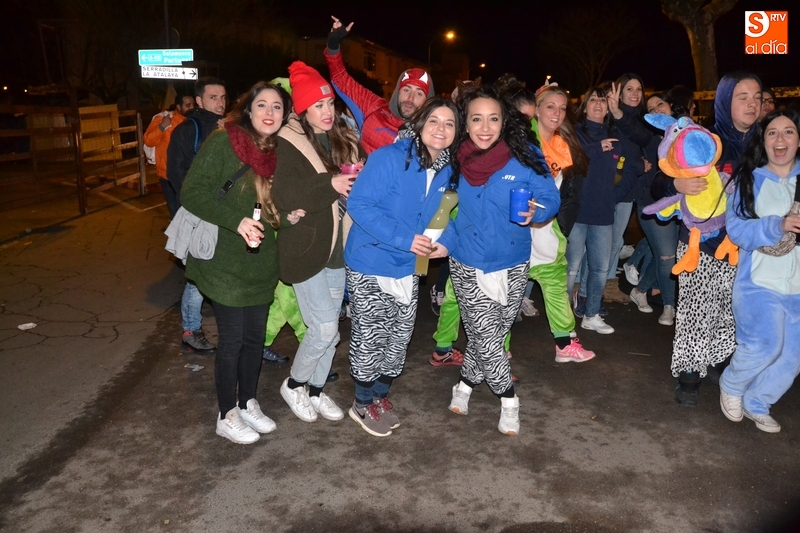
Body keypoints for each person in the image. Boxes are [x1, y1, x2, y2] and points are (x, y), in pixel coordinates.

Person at [436, 84, 560, 435]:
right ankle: (509, 401)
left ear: (504, 121)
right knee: (488, 337)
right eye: (476, 119)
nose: (485, 127)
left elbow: (550, 197)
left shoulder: (524, 154)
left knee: (491, 333)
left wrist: (538, 212)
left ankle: (464, 384)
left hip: (513, 261)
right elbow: (439, 210)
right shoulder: (453, 159)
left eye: (493, 118)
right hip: (468, 260)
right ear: (465, 122)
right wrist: (444, 242)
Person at [179, 81, 295, 444]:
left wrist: (288, 216)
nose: (269, 113)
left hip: (261, 262)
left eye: (277, 107)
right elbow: (192, 192)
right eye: (262, 105)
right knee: (231, 341)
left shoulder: (278, 152)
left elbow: (271, 206)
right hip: (224, 261)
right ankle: (226, 413)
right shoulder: (223, 142)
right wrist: (237, 221)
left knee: (254, 338)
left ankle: (247, 402)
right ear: (248, 109)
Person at [345, 97, 459, 437]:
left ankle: (380, 396)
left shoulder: (448, 170)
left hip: (409, 265)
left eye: (449, 123)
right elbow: (359, 205)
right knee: (371, 336)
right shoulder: (389, 158)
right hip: (371, 260)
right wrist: (406, 239)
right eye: (434, 121)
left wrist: (447, 242)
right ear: (420, 123)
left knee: (398, 338)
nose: (441, 129)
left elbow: (445, 215)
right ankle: (361, 403)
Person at [653, 71, 762, 406]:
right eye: (742, 97)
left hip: (744, 246)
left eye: (757, 97)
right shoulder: (704, 139)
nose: (752, 104)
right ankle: (689, 376)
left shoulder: (765, 144)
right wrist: (676, 185)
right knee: (696, 311)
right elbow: (657, 182)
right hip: (700, 244)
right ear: (726, 101)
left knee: (731, 312)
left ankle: (717, 362)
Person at [272, 61, 364, 423]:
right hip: (307, 248)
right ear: (302, 109)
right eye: (317, 105)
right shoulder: (287, 142)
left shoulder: (344, 138)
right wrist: (331, 184)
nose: (327, 112)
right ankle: (294, 384)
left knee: (330, 332)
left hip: (338, 250)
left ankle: (315, 390)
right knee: (324, 328)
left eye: (329, 103)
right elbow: (284, 193)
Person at [719, 109, 800, 433]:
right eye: (772, 133)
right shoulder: (749, 180)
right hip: (759, 283)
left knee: (792, 357)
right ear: (763, 141)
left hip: (798, 287)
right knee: (764, 345)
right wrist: (777, 225)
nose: (780, 139)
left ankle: (758, 402)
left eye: (789, 131)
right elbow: (737, 230)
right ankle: (732, 385)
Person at [530, 84, 595, 362]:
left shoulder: (562, 145)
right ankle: (452, 347)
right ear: (536, 109)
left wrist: (560, 226)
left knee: (555, 283)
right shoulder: (520, 141)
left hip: (545, 229)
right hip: (514, 230)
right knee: (504, 293)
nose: (557, 113)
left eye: (562, 108)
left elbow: (566, 193)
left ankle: (565, 343)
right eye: (550, 106)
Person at [568, 84, 639, 334]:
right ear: (584, 106)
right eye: (593, 100)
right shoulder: (575, 133)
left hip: (603, 213)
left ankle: (591, 314)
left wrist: (615, 196)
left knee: (600, 268)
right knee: (571, 268)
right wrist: (598, 148)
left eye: (602, 101)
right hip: (577, 212)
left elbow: (633, 168)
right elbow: (572, 160)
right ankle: (563, 320)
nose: (598, 105)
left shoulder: (616, 136)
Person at [607, 85, 679, 326]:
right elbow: (633, 131)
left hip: (681, 203)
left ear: (671, 107)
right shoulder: (649, 136)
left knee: (664, 252)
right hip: (652, 202)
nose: (657, 110)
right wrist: (617, 111)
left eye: (661, 105)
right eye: (651, 108)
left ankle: (640, 288)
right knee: (667, 256)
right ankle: (669, 306)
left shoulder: (685, 133)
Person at [167, 76, 228, 353]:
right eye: (213, 97)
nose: (220, 102)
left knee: (220, 270)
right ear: (200, 101)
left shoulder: (229, 127)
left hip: (226, 213)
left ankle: (231, 331)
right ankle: (191, 329)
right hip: (199, 214)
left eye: (223, 97)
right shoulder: (187, 130)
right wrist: (197, 205)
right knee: (197, 273)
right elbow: (176, 173)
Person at [324, 16, 435, 153]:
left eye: (419, 93)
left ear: (428, 100)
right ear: (398, 91)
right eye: (406, 90)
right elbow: (341, 79)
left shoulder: (433, 132)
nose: (410, 98)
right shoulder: (375, 107)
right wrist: (333, 44)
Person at [143, 93, 194, 218]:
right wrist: (162, 127)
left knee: (187, 210)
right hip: (167, 175)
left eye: (193, 104)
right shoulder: (163, 119)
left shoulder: (193, 121)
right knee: (175, 211)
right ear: (178, 106)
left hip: (187, 174)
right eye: (188, 105)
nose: (192, 108)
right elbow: (148, 140)